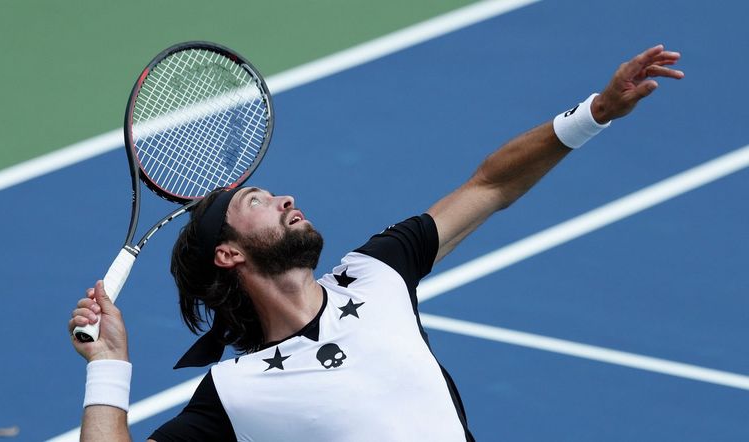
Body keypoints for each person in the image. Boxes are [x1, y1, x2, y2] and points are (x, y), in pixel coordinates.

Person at [69, 44, 683, 441]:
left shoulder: (375, 273)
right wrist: (109, 368)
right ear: (229, 254)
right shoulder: (235, 393)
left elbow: (490, 185)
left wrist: (596, 112)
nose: (284, 198)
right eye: (256, 201)